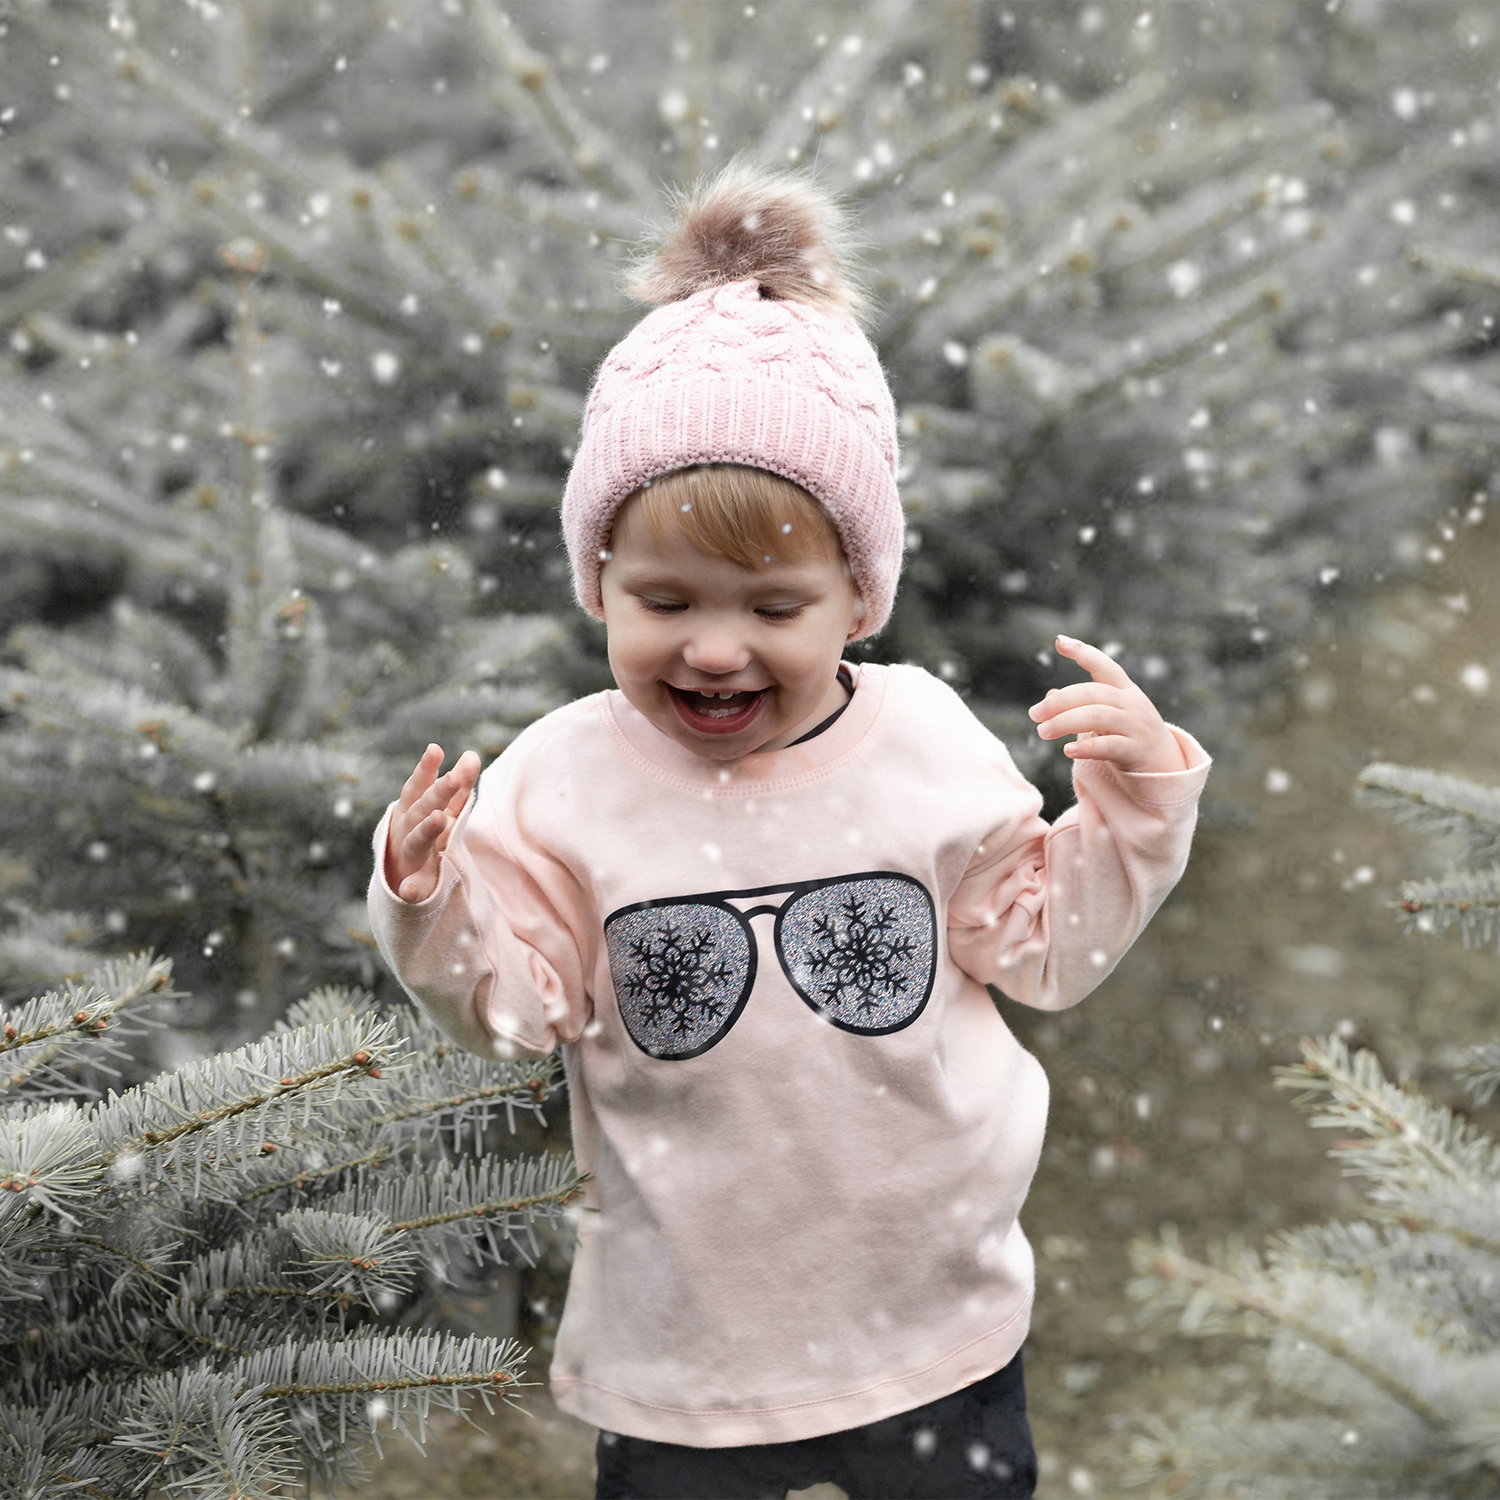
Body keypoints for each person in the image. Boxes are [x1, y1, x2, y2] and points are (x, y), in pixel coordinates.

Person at [368, 162, 1211, 1500]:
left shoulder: (924, 742)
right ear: (599, 583)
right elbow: (520, 1006)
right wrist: (430, 900)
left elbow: (1048, 949)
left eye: (771, 607)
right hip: (686, 1348)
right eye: (663, 599)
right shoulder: (562, 780)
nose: (712, 647)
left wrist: (1138, 801)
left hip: (934, 1320)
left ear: (856, 596)